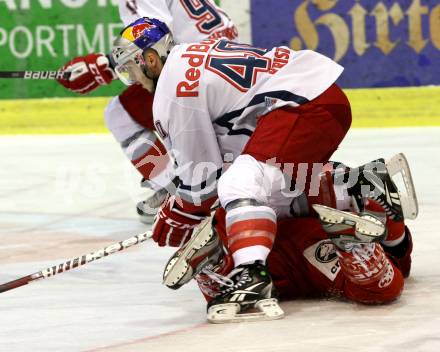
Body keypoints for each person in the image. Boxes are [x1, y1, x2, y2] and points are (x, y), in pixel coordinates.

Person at [110, 18, 418, 323]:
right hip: (318, 98)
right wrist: (185, 207)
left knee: (242, 183)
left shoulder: (173, 90)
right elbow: (220, 159)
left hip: (302, 105)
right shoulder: (192, 57)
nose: (133, 79)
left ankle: (250, 272)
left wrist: (178, 212)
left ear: (150, 58)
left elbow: (201, 188)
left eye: (131, 69)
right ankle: (355, 191)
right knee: (268, 189)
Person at [56, 0, 238, 223]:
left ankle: (172, 190)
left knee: (120, 114)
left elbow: (152, 37)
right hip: (231, 62)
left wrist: (106, 65)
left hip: (197, 69)